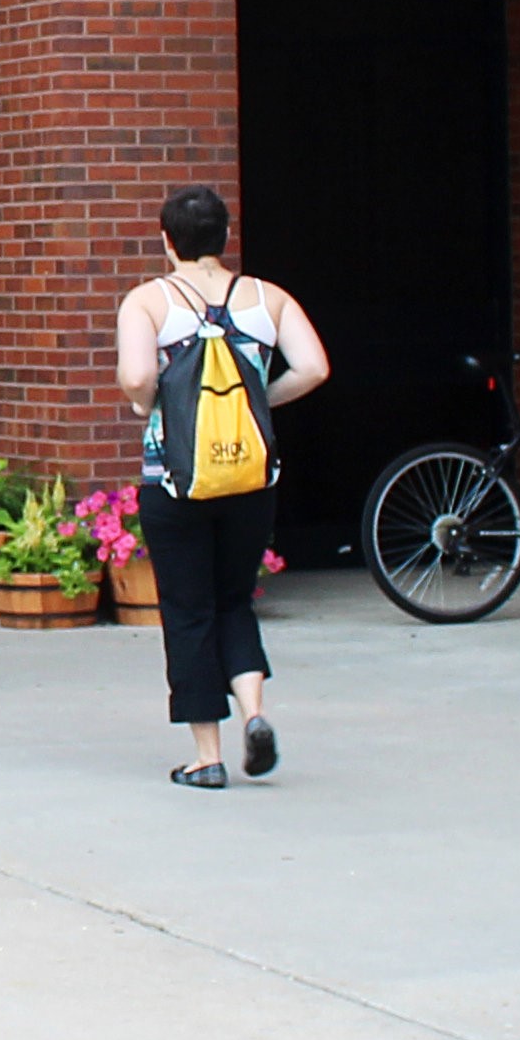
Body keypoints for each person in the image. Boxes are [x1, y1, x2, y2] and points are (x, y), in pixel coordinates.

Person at [112, 184, 329, 788]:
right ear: (225, 237)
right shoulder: (269, 298)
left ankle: (207, 756)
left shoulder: (148, 301)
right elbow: (314, 367)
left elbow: (134, 376)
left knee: (188, 609)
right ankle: (254, 714)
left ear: (166, 240)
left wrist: (151, 401)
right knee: (234, 598)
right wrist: (262, 399)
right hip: (251, 478)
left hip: (175, 480)